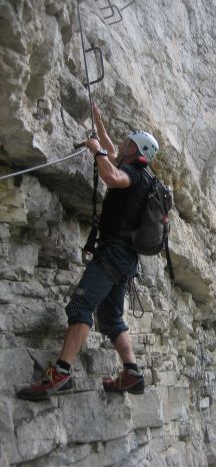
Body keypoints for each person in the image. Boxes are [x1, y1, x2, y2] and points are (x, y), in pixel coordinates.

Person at [17, 104, 159, 401]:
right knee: (110, 319)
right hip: (125, 259)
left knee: (80, 308)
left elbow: (113, 177)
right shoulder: (142, 174)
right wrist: (99, 126)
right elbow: (113, 154)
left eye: (127, 143)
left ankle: (61, 374)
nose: (121, 145)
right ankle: (132, 373)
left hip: (112, 255)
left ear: (136, 151)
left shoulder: (132, 174)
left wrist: (97, 153)